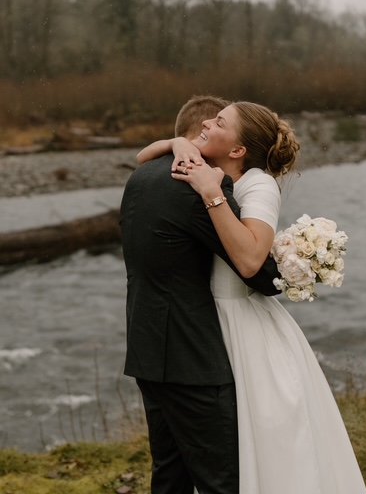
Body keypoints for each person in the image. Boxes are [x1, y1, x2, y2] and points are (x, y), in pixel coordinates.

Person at [141, 100, 366, 494]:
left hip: (241, 325)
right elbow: (144, 156)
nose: (208, 122)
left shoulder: (258, 184)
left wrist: (211, 194)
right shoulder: (209, 164)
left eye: (220, 121)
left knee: (261, 438)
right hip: (204, 322)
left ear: (238, 151)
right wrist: (179, 142)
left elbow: (248, 260)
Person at [120, 95, 280, 494]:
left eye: (220, 122)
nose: (211, 125)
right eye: (212, 121)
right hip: (193, 360)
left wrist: (173, 144)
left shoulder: (142, 175)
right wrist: (291, 268)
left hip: (147, 348)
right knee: (219, 482)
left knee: (169, 476)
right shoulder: (200, 186)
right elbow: (257, 272)